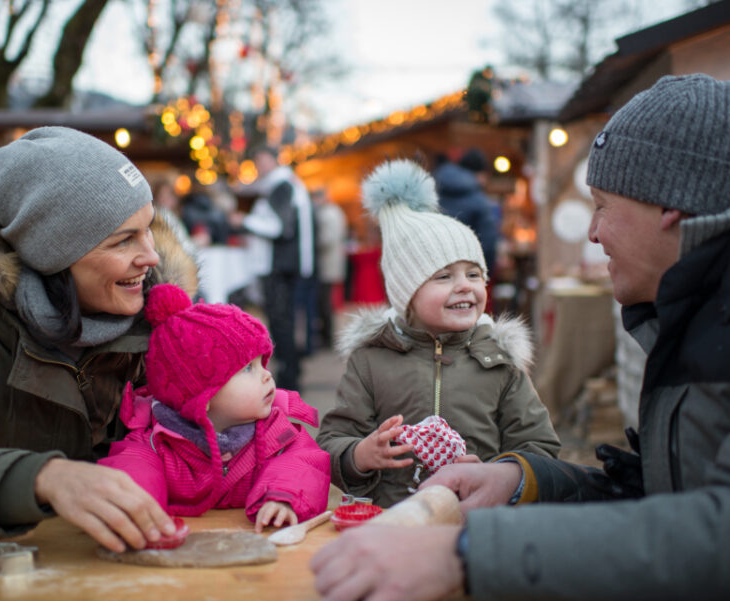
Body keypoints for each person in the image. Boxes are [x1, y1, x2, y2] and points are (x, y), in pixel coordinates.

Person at [310, 74, 730, 601]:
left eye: (602, 204)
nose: (593, 232)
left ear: (668, 203)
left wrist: (471, 555)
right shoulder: (687, 320)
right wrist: (519, 479)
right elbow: (666, 497)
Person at [0, 126, 199, 554]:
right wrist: (44, 478)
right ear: (52, 254)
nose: (151, 256)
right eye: (123, 240)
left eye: (148, 228)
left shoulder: (162, 314)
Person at [316, 159, 559, 507]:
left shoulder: (497, 361)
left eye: (474, 275)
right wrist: (360, 455)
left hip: (481, 524)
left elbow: (539, 445)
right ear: (407, 293)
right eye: (444, 277)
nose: (464, 287)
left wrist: (502, 474)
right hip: (395, 520)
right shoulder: (371, 360)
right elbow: (332, 442)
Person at [98, 283, 330, 532]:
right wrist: (133, 508)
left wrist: (283, 498)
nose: (267, 376)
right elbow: (132, 469)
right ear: (202, 397)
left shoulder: (279, 432)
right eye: (247, 369)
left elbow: (303, 463)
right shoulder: (156, 442)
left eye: (262, 363)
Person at [230, 146, 315, 390]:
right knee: (285, 319)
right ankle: (292, 370)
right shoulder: (288, 184)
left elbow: (280, 228)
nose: (258, 166)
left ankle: (289, 376)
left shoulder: (280, 186)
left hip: (279, 266)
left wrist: (244, 221)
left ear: (272, 160)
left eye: (261, 160)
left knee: (281, 321)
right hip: (287, 265)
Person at [433, 149, 499, 274]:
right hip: (469, 271)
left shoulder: (435, 191)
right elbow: (488, 244)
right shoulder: (479, 200)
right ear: (480, 174)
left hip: (436, 271)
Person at [312, 187, 348, 349]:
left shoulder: (329, 213)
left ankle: (327, 337)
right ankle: (326, 335)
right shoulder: (334, 212)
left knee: (325, 302)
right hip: (330, 262)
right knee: (325, 301)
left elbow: (328, 239)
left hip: (328, 263)